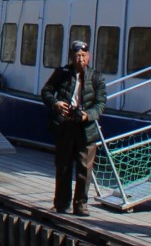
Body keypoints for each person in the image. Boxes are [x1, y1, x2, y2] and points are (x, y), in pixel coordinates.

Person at [40, 38, 105, 216]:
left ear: (89, 57)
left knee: (85, 168)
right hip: (65, 124)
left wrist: (87, 115)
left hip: (85, 128)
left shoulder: (97, 77)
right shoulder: (61, 73)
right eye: (77, 56)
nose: (80, 60)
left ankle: (81, 205)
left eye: (84, 56)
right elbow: (46, 91)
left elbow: (100, 104)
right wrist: (56, 103)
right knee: (63, 166)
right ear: (71, 57)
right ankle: (61, 203)